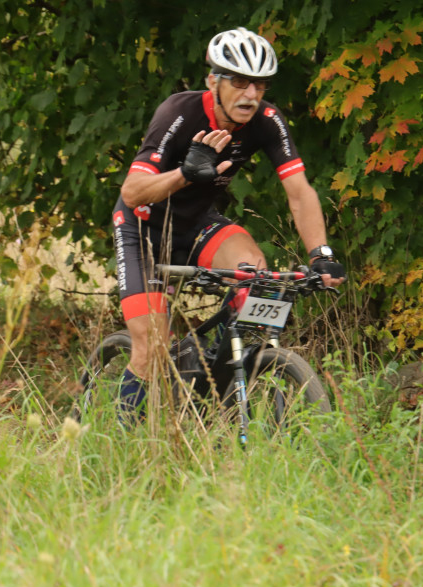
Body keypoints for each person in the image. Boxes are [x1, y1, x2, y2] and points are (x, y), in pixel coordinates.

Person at [110, 27, 345, 421]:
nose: (251, 94)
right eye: (239, 82)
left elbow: (299, 192)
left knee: (258, 279)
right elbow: (132, 192)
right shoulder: (180, 113)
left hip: (198, 223)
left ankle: (216, 371)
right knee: (151, 347)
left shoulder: (267, 120)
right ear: (213, 81)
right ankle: (119, 439)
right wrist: (184, 174)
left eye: (259, 84)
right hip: (142, 230)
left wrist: (320, 255)